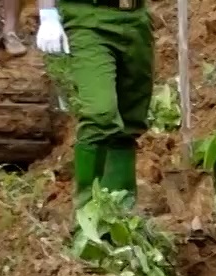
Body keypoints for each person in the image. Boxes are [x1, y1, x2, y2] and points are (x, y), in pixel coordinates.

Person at [35, 0, 154, 199]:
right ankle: (89, 210)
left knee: (130, 118)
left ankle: (121, 207)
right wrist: (47, 14)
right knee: (101, 113)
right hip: (89, 18)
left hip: (135, 18)